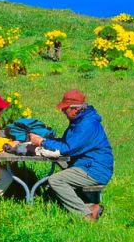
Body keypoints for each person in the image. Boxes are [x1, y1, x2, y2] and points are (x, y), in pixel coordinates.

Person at [29, 89, 113, 221]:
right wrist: (45, 141)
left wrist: (42, 141)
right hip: (87, 164)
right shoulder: (79, 121)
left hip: (94, 169)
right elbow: (66, 143)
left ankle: (86, 217)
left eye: (65, 108)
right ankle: (92, 207)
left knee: (55, 181)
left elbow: (67, 148)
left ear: (75, 109)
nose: (63, 111)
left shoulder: (87, 125)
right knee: (53, 183)